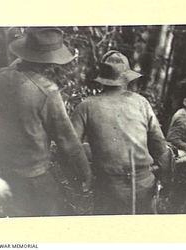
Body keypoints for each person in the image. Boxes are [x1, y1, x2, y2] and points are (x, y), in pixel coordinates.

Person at [0, 27, 92, 217]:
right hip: (33, 179)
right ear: (49, 61)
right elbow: (67, 141)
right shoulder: (47, 91)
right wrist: (84, 173)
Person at [71, 50, 169, 215]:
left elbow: (71, 146)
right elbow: (160, 146)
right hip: (143, 185)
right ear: (126, 79)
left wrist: (85, 177)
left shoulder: (86, 106)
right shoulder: (141, 103)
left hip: (109, 189)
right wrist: (165, 182)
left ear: (102, 80)